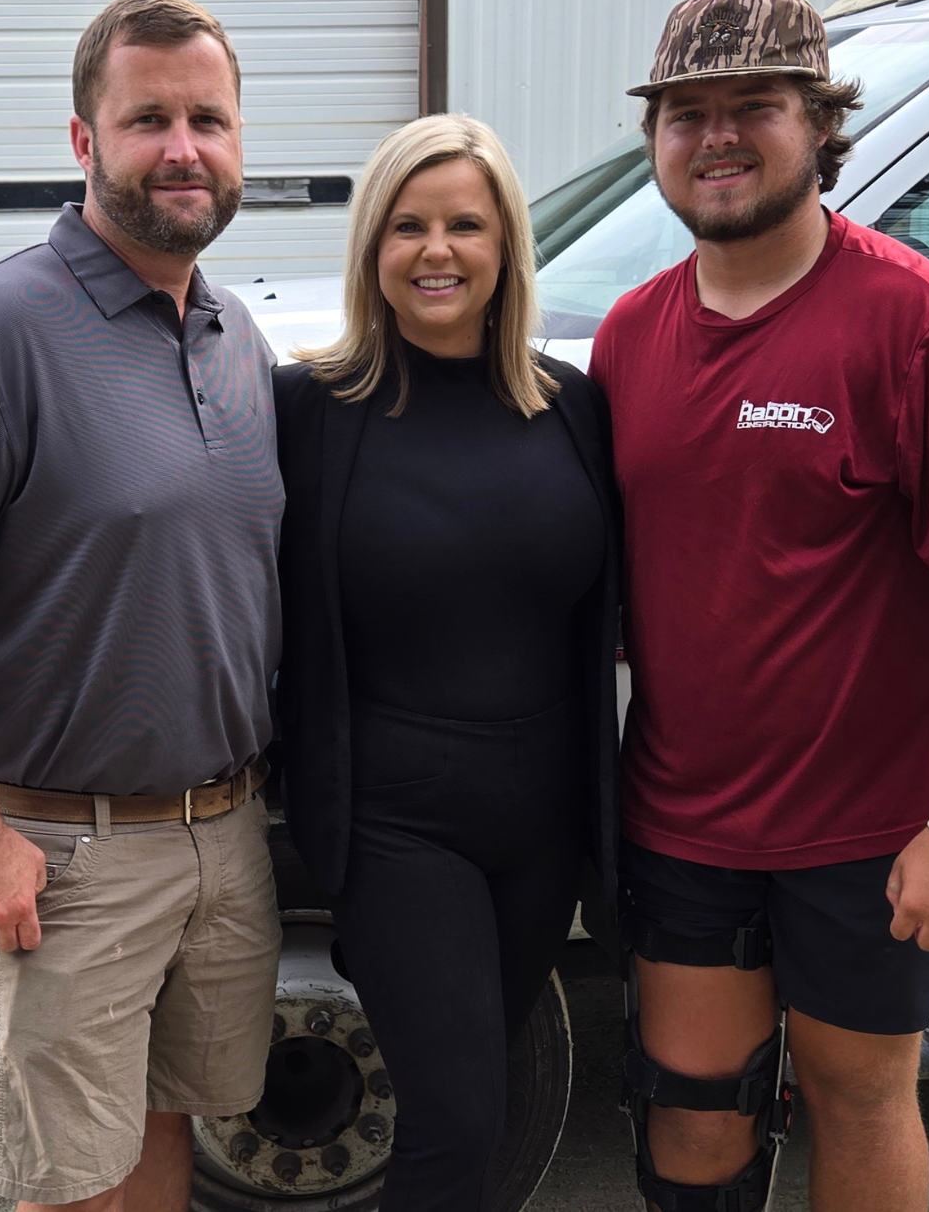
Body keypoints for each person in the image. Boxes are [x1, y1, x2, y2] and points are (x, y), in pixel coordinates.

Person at [591, 0, 929, 1212]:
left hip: (867, 838)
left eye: (753, 106)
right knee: (691, 1119)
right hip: (681, 821)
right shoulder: (629, 337)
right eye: (685, 113)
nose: (716, 137)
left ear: (821, 125)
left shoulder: (924, 327)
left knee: (859, 1103)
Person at [0, 0, 282, 1212]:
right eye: (148, 119)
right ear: (84, 143)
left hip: (222, 832)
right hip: (69, 852)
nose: (183, 147)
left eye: (209, 118)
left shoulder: (232, 335)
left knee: (159, 1139)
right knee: (69, 1179)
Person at [271, 113, 620, 1212]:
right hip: (394, 823)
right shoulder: (309, 413)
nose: (437, 251)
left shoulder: (573, 408)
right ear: (371, 247)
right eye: (407, 225)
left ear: (505, 244)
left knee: (480, 1107)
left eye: (465, 224)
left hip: (542, 828)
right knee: (457, 1121)